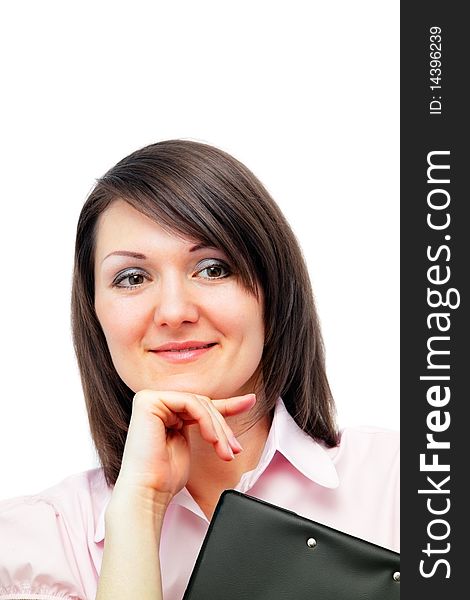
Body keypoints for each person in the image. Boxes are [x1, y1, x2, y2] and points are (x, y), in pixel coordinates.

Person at [0, 139, 399, 600]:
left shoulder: (406, 484)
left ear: (271, 290)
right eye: (132, 278)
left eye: (212, 269)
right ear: (95, 315)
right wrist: (138, 512)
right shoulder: (33, 546)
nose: (173, 310)